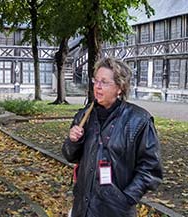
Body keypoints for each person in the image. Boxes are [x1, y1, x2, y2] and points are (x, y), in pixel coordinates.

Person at [62, 57, 163, 217]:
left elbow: (151, 168)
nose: (98, 86)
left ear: (120, 88)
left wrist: (126, 198)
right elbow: (70, 155)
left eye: (104, 82)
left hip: (116, 211)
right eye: (96, 81)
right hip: (83, 208)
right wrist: (73, 141)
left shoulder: (139, 120)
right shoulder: (84, 116)